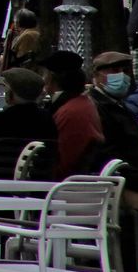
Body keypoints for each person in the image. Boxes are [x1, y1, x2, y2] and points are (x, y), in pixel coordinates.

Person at [87, 51, 138, 227]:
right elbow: (109, 159)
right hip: (116, 186)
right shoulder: (98, 109)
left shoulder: (121, 106)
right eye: (114, 70)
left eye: (125, 70)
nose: (122, 75)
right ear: (97, 76)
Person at [43, 50, 104, 180]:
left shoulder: (70, 112)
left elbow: (63, 165)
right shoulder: (83, 103)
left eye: (45, 73)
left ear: (51, 77)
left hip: (59, 188)